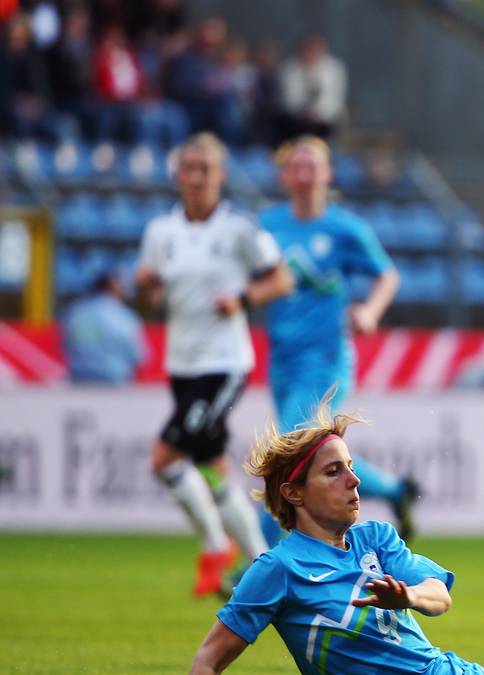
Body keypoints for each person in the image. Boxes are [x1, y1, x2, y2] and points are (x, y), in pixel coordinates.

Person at [188, 403, 484, 675]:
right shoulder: (279, 568)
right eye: (334, 471)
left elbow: (440, 596)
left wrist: (408, 597)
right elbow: (207, 662)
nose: (355, 479)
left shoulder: (377, 538)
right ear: (294, 493)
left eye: (350, 467)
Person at [135, 132, 294, 596]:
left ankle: (214, 546)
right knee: (212, 465)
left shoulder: (239, 229)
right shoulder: (160, 233)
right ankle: (262, 565)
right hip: (181, 363)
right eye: (191, 169)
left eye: (207, 169)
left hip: (225, 362)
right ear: (179, 175)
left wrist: (243, 298)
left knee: (165, 457)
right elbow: (153, 301)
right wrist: (147, 289)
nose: (198, 177)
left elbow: (281, 279)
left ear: (220, 176)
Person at [258, 135, 415, 547]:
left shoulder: (344, 228)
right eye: (297, 166)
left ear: (328, 174)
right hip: (282, 359)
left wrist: (370, 312)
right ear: (285, 176)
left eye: (313, 165)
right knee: (309, 450)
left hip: (325, 357)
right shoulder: (268, 225)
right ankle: (394, 489)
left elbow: (387, 274)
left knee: (289, 451)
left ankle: (256, 560)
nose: (305, 174)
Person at [61, 270, 145, 384]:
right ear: (115, 289)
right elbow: (139, 355)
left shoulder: (74, 313)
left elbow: (65, 346)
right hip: (114, 381)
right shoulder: (124, 316)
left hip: (78, 378)